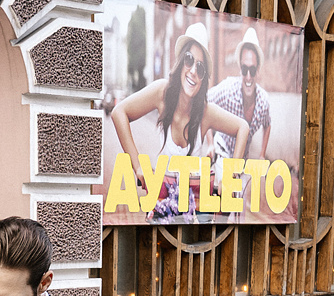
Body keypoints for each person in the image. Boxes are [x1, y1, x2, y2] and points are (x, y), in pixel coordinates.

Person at [107, 22, 250, 218]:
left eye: (200, 68)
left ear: (203, 78)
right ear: (181, 61)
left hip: (196, 206)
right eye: (189, 60)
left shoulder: (205, 112)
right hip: (164, 202)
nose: (193, 71)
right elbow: (119, 113)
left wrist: (232, 177)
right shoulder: (162, 93)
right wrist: (138, 166)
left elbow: (243, 127)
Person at [207, 27, 271, 161]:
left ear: (258, 70)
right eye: (244, 69)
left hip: (241, 159)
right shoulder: (228, 89)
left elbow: (267, 124)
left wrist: (262, 154)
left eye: (252, 70)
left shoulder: (263, 101)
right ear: (239, 68)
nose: (248, 76)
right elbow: (205, 103)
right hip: (222, 152)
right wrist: (210, 144)